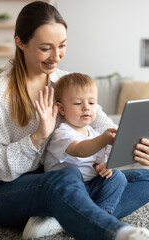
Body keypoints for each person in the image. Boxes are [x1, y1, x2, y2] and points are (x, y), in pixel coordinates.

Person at [0, 1, 149, 239]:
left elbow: (104, 126)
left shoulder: (64, 81)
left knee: (145, 179)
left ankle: (59, 219)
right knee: (67, 176)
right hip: (7, 192)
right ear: (20, 42)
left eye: (62, 46)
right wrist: (38, 136)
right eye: (45, 48)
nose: (56, 56)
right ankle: (116, 233)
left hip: (64, 183)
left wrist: (133, 144)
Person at [45, 72, 127, 215]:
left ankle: (100, 215)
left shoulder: (96, 134)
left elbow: (102, 161)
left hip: (90, 187)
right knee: (71, 173)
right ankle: (85, 214)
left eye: (91, 103)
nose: (86, 107)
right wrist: (103, 140)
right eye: (78, 103)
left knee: (118, 176)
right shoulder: (62, 133)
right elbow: (79, 150)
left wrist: (105, 167)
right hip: (66, 190)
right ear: (62, 109)